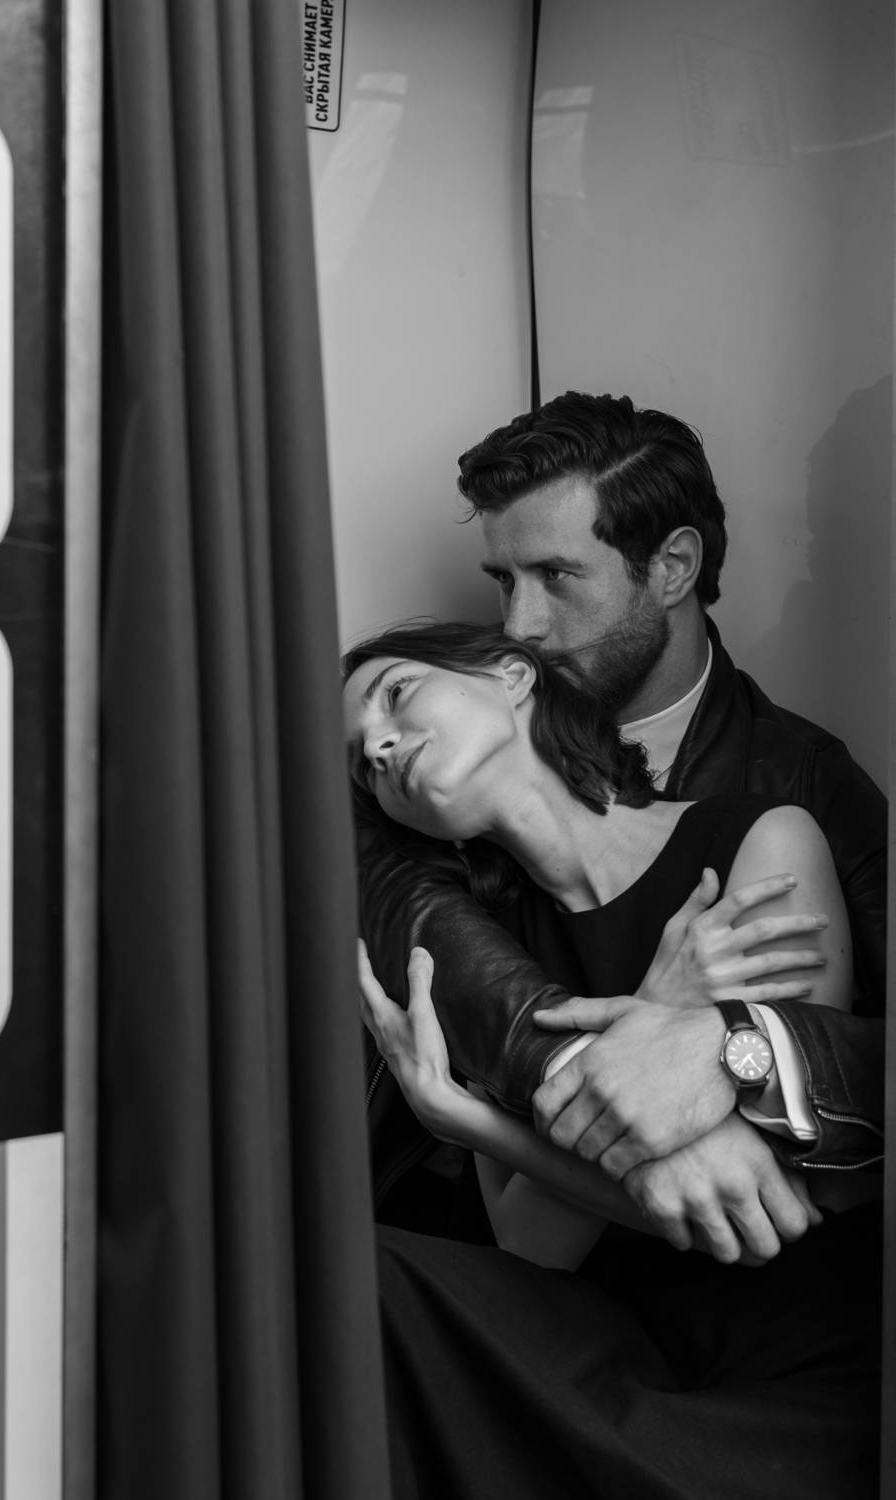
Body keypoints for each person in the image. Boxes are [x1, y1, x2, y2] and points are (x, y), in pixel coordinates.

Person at [344, 621, 881, 1500]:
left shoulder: (757, 840)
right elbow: (532, 1247)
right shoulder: (481, 969)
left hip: (786, 1343)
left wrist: (478, 1118)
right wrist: (643, 1020)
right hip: (601, 1338)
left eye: (395, 695)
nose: (378, 746)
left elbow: (772, 1204)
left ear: (511, 675)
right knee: (358, 1278)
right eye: (363, 761)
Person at [359, 392, 884, 1247]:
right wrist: (638, 1028)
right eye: (504, 581)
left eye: (556, 576)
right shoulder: (449, 794)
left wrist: (724, 1043)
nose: (519, 626)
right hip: (528, 1264)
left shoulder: (799, 785)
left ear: (672, 567)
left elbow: (783, 1185)